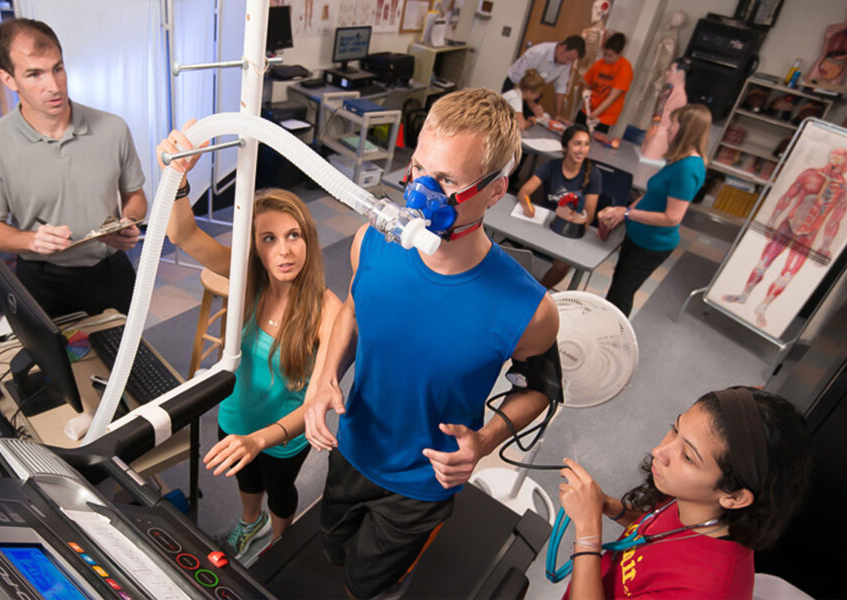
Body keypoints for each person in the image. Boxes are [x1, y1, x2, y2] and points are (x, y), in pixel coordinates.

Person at [303, 88, 560, 599]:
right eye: (419, 168)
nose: (420, 191)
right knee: (331, 548)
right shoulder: (373, 241)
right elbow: (355, 308)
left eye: (445, 180)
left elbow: (540, 388)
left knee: (367, 584)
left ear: (494, 190)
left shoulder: (528, 309)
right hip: (352, 446)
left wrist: (483, 442)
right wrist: (325, 377)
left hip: (422, 483)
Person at [157, 128, 341, 557]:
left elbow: (317, 403)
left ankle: (278, 541)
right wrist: (179, 178)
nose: (284, 251)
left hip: (283, 433)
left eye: (293, 235)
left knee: (279, 491)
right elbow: (184, 235)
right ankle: (248, 522)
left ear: (308, 240)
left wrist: (262, 439)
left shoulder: (325, 310)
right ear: (255, 248)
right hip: (236, 414)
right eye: (269, 239)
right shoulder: (247, 281)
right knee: (247, 482)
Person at [556, 386, 811, 599]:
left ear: (734, 497)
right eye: (675, 429)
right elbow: (657, 536)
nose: (660, 452)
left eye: (688, 456)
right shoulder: (693, 499)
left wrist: (588, 529)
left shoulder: (705, 590)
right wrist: (611, 507)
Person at [0, 18, 147, 317]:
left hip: (111, 270)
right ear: (8, 79)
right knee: (56, 363)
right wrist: (32, 240)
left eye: (57, 68)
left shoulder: (113, 128)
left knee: (128, 359)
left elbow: (135, 196)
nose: (53, 86)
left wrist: (128, 222)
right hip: (42, 278)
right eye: (34, 74)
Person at [598, 103, 711, 316]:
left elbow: (672, 218)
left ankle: (611, 342)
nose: (668, 129)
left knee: (621, 295)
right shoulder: (679, 160)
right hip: (638, 235)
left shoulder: (688, 168)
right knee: (617, 288)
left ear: (686, 129)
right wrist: (622, 212)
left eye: (674, 125)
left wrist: (627, 214)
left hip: (652, 244)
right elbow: (651, 195)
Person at [722, 147, 847, 328]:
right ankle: (744, 295)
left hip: (809, 234)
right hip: (788, 226)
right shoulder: (810, 174)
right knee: (763, 262)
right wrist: (772, 220)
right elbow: (788, 196)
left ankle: (762, 307)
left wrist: (826, 245)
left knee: (787, 275)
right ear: (835, 158)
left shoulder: (842, 189)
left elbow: (835, 219)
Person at [518, 124, 602, 288]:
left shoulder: (593, 174)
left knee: (562, 265)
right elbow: (525, 190)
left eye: (586, 144)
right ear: (565, 146)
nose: (582, 149)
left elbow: (589, 215)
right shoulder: (551, 166)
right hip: (545, 224)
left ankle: (539, 292)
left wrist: (575, 219)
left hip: (568, 229)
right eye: (577, 143)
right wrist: (527, 204)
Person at [504, 35, 585, 120]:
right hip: (515, 86)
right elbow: (521, 82)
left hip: (533, 93)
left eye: (571, 61)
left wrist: (558, 114)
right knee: (509, 119)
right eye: (567, 58)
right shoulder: (538, 52)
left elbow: (560, 88)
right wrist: (532, 104)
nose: (567, 63)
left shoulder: (566, 63)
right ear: (563, 47)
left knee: (529, 119)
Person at [576, 33, 633, 134]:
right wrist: (586, 100)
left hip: (603, 118)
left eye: (610, 56)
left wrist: (593, 115)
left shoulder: (625, 68)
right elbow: (588, 85)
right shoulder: (599, 64)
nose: (606, 58)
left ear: (620, 53)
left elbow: (612, 97)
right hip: (587, 111)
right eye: (605, 55)